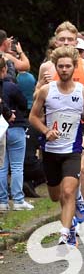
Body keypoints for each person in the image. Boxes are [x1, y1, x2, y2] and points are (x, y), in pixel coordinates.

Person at [28, 46, 84, 247]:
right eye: (61, 66)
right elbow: (33, 116)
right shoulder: (46, 91)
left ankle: (66, 233)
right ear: (56, 68)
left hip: (72, 151)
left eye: (68, 66)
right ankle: (76, 203)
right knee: (55, 195)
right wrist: (46, 131)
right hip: (50, 150)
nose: (65, 69)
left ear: (74, 67)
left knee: (67, 192)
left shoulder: (83, 92)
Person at [0, 61, 32, 211]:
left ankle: (2, 201)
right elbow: (24, 103)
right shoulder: (12, 86)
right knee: (17, 166)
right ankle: (18, 200)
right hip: (15, 127)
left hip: (1, 129)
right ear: (5, 69)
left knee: (2, 166)